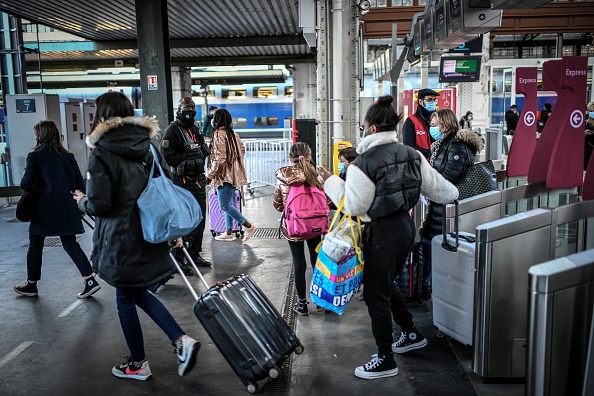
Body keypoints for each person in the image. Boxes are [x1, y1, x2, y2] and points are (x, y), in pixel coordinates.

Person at [317, 96, 458, 380]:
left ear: (370, 129)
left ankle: (384, 359)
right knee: (385, 284)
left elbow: (355, 206)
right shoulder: (412, 154)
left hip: (380, 233)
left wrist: (330, 181)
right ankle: (410, 332)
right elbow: (446, 192)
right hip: (405, 229)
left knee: (375, 295)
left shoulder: (363, 163)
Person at [73, 91, 200, 381]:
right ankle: (181, 341)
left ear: (101, 116)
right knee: (137, 290)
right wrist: (174, 232)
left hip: (121, 239)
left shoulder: (101, 153)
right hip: (151, 232)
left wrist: (82, 201)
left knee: (125, 297)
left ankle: (139, 362)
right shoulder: (149, 146)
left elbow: (100, 204)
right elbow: (165, 186)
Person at [14, 120, 100, 299]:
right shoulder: (67, 155)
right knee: (70, 243)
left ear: (41, 135)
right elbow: (78, 182)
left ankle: (31, 285)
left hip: (43, 210)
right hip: (67, 207)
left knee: (35, 245)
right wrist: (80, 204)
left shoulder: (36, 156)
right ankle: (90, 280)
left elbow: (26, 184)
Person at [420, 109, 483, 299]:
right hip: (439, 206)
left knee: (435, 246)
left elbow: (449, 177)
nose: (431, 128)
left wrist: (427, 181)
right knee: (429, 244)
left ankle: (430, 286)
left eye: (433, 125)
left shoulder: (457, 145)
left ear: (445, 125)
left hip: (449, 207)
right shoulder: (444, 143)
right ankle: (427, 284)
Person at [273, 142, 328, 316]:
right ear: (310, 156)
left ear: (291, 158)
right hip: (315, 225)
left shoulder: (284, 179)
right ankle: (321, 301)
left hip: (293, 226)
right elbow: (326, 202)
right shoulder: (317, 177)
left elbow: (278, 205)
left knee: (299, 264)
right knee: (316, 261)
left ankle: (302, 304)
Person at [160, 97, 211, 273]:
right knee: (183, 223)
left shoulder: (195, 129)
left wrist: (199, 151)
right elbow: (167, 157)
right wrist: (187, 155)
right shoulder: (172, 131)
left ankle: (194, 254)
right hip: (181, 183)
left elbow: (203, 148)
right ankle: (179, 259)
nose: (190, 111)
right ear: (180, 110)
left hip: (198, 181)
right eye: (186, 108)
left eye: (192, 108)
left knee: (200, 221)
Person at [206, 108, 257, 241]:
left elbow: (219, 159)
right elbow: (242, 150)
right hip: (234, 175)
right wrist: (233, 164)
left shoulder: (218, 134)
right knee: (228, 204)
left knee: (224, 205)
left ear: (215, 120)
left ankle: (248, 226)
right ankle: (229, 232)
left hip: (224, 176)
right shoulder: (233, 134)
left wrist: (210, 175)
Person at [402, 88, 440, 159]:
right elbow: (408, 147)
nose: (433, 102)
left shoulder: (439, 119)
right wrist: (429, 153)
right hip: (420, 164)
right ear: (420, 101)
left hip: (438, 165)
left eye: (434, 100)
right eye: (429, 100)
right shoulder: (411, 121)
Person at [585, 101, 594, 171]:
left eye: (593, 110)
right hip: (589, 147)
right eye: (590, 111)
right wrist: (584, 133)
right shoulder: (586, 121)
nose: (591, 112)